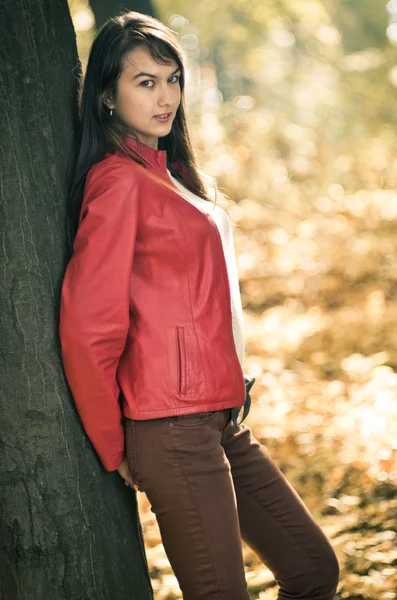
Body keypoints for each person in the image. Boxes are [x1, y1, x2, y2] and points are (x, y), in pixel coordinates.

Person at [59, 10, 340, 600]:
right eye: (145, 82)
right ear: (107, 96)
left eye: (173, 79)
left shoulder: (170, 173)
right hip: (170, 430)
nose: (166, 97)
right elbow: (91, 327)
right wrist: (114, 447)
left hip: (222, 418)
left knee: (313, 570)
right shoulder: (116, 183)